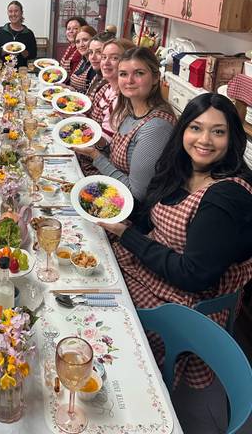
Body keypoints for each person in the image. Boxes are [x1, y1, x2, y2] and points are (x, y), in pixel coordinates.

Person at [104, 93, 252, 387]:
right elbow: (151, 216)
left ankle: (129, 387)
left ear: (232, 138)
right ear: (183, 129)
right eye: (196, 128)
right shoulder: (183, 169)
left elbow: (193, 275)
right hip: (151, 269)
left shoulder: (226, 195)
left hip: (186, 299)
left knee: (109, 321)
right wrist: (119, 223)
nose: (205, 140)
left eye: (218, 131)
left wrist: (127, 235)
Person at [77, 47, 175, 201]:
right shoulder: (129, 111)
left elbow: (137, 194)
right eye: (123, 74)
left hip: (131, 211)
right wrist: (99, 142)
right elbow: (116, 158)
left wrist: (95, 155)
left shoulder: (156, 127)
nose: (129, 81)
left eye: (139, 73)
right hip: (113, 192)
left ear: (156, 78)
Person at [89, 38, 135, 147]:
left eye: (114, 58)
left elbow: (106, 144)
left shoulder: (123, 100)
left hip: (97, 157)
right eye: (104, 57)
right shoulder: (107, 87)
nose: (106, 62)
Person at [0, 0, 37, 68]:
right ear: (7, 13)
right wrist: (4, 50)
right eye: (10, 11)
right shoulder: (0, 31)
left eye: (16, 11)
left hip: (22, 71)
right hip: (4, 71)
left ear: (21, 13)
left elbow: (33, 55)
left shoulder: (29, 33)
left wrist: (23, 52)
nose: (13, 14)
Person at [85, 29, 118, 102]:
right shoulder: (98, 75)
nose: (93, 57)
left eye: (98, 52)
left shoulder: (110, 81)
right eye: (90, 52)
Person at [67, 25, 97, 93]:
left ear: (94, 41)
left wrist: (73, 91)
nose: (81, 45)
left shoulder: (95, 64)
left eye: (85, 40)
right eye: (77, 42)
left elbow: (91, 94)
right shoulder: (83, 60)